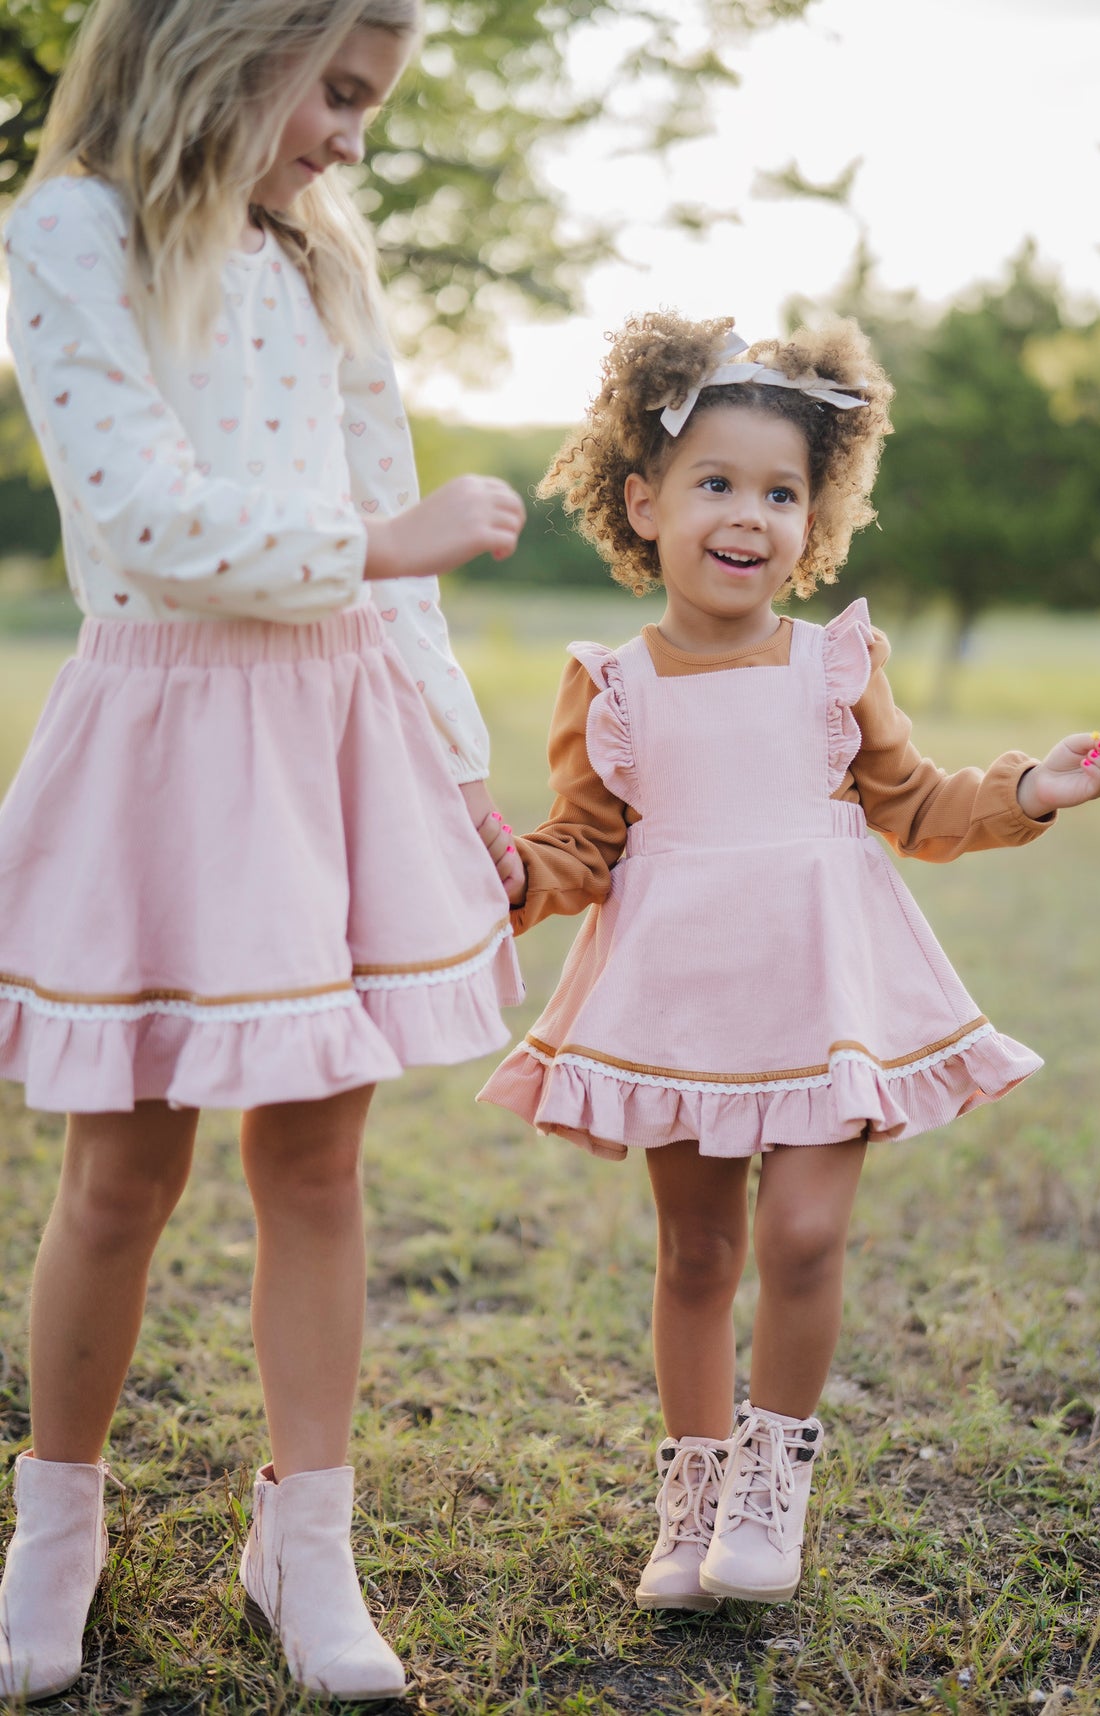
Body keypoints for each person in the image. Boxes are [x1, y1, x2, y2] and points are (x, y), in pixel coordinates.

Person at [0, 0, 528, 1698]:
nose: (351, 140)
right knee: (123, 1174)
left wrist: (455, 769)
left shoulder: (323, 263)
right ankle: (52, 1533)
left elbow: (401, 574)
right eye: (342, 94)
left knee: (314, 1166)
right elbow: (139, 519)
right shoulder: (72, 226)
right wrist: (389, 536)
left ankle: (308, 1543)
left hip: (333, 735)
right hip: (163, 737)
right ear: (233, 42)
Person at [479, 311, 1100, 1615]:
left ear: (814, 515)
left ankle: (773, 1480)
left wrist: (1033, 786)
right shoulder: (611, 684)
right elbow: (580, 846)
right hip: (679, 1004)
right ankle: (695, 1495)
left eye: (781, 491)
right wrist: (510, 874)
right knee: (695, 1256)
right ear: (643, 501)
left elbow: (916, 805)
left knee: (808, 1228)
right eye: (716, 483)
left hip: (823, 994)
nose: (749, 515)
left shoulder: (832, 664)